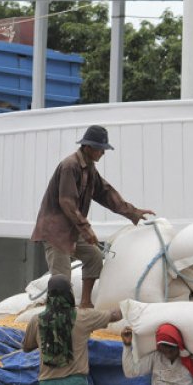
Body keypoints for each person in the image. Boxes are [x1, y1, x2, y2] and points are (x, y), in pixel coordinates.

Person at [31, 125, 155, 308]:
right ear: (88, 147)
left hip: (72, 230)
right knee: (61, 281)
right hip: (55, 232)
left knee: (94, 257)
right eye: (100, 149)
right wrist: (86, 229)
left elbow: (105, 193)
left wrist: (132, 212)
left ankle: (86, 302)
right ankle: (62, 316)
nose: (103, 154)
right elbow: (67, 202)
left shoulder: (89, 169)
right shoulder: (70, 166)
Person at [22, 274, 122, 385]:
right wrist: (131, 305)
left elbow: (26, 347)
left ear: (49, 295)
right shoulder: (83, 317)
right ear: (69, 294)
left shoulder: (37, 320)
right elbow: (114, 316)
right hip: (73, 384)